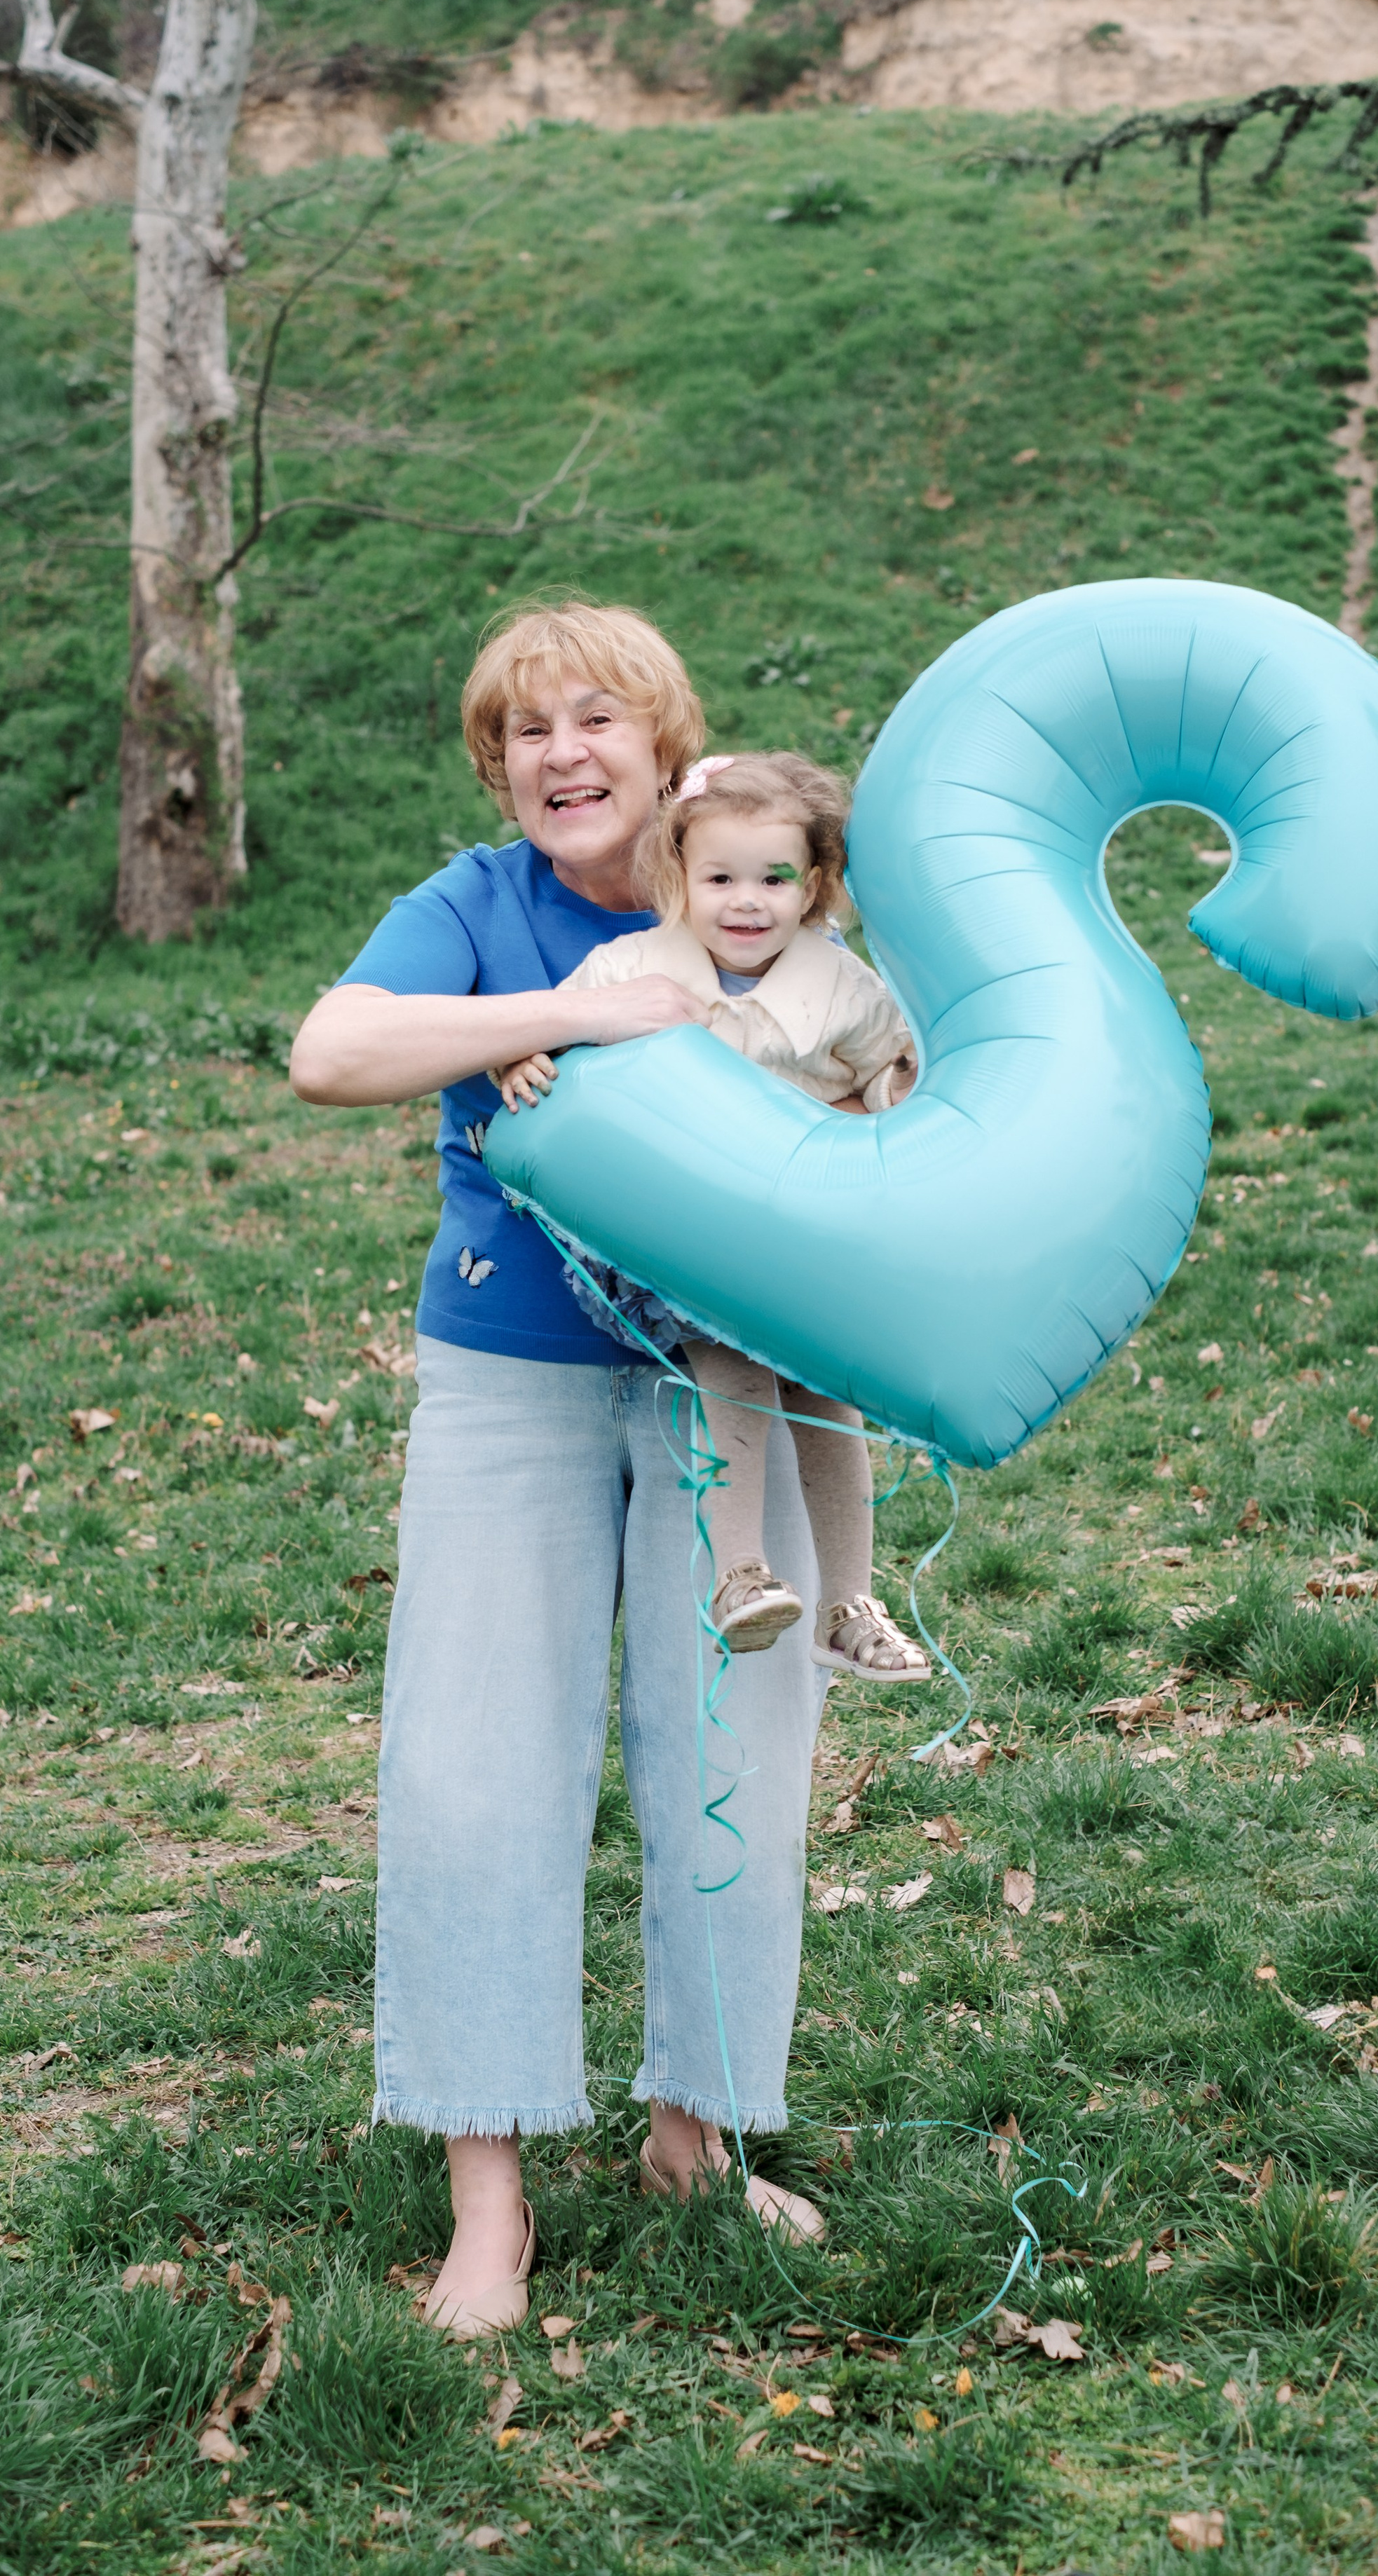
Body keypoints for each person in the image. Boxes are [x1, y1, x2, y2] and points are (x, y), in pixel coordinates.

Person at [289, 601, 832, 2343]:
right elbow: (329, 1054)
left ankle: (696, 2134)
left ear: (667, 745)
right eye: (526, 730)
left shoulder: (751, 879)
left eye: (598, 718)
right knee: (472, 1771)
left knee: (732, 1748)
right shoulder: (477, 906)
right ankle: (486, 2196)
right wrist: (553, 1014)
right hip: (507, 1377)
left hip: (730, 1388)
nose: (561, 754)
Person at [498, 750, 929, 1682]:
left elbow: (890, 1073)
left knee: (829, 1396)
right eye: (720, 878)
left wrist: (899, 1091)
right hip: (681, 1242)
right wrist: (518, 1056)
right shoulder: (631, 968)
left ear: (812, 884)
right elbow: (550, 1030)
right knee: (731, 1360)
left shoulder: (842, 987)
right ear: (679, 876)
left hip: (802, 1235)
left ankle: (850, 1605)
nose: (747, 902)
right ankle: (739, 1574)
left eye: (774, 879)